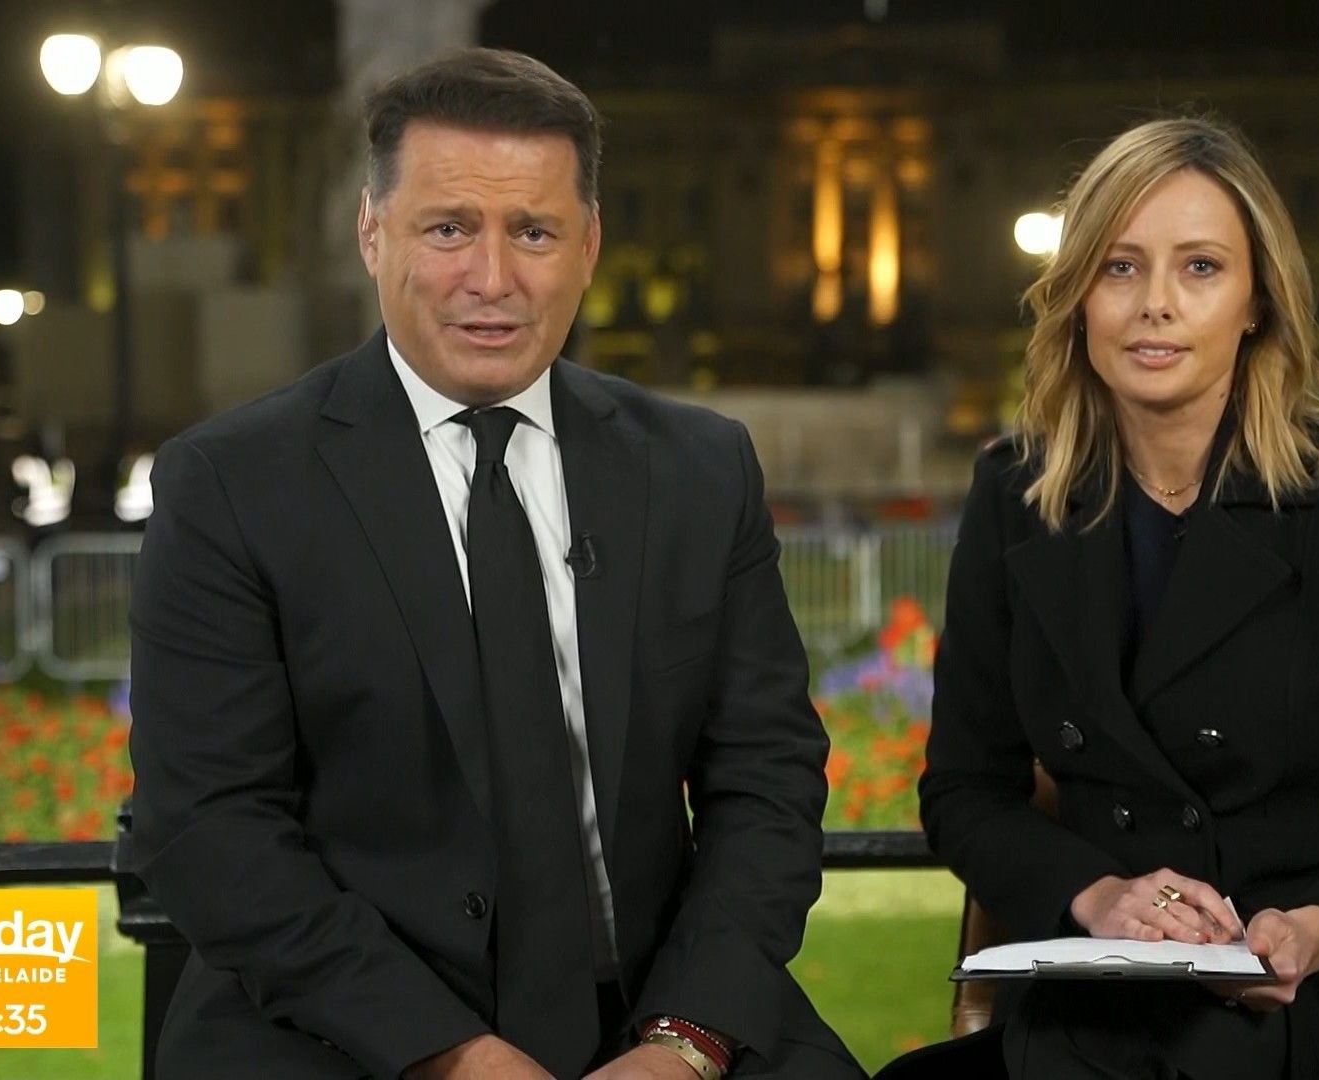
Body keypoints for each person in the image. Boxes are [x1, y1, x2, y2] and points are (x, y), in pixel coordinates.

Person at [128, 47, 863, 1080]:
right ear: (371, 233)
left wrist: (686, 1038)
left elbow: (768, 781)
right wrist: (451, 1055)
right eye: (448, 229)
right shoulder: (232, 484)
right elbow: (210, 828)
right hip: (342, 1027)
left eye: (533, 232)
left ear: (589, 245)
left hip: (656, 1011)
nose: (493, 279)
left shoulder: (700, 468)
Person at [906, 117, 1319, 1079]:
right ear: (1077, 298)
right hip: (1090, 1012)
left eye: (1199, 267)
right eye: (1119, 267)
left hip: (1314, 1014)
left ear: (1257, 302)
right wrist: (1096, 895)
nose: (1155, 303)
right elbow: (963, 791)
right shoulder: (1014, 494)